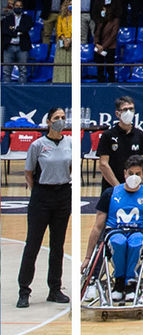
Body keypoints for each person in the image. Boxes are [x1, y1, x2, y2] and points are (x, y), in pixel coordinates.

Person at [81, 155, 143, 304]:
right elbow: (97, 227)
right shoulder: (110, 194)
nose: (134, 177)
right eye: (131, 173)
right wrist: (88, 257)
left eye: (138, 174)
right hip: (115, 232)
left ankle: (131, 282)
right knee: (119, 242)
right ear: (125, 173)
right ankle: (119, 281)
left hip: (139, 233)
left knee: (135, 243)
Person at [15, 107, 74, 309]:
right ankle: (24, 291)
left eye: (63, 118)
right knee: (33, 245)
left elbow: (72, 168)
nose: (60, 121)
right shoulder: (38, 145)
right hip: (41, 196)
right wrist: (39, 191)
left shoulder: (70, 143)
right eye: (56, 118)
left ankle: (54, 289)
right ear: (48, 122)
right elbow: (29, 173)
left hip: (63, 195)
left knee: (57, 246)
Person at [2, 0, 33, 83]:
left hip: (22, 47)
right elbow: (5, 31)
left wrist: (13, 30)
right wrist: (17, 32)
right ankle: (6, 92)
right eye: (16, 5)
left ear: (22, 7)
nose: (18, 7)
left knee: (23, 71)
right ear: (13, 7)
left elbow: (25, 28)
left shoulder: (27, 18)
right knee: (6, 71)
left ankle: (22, 91)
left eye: (20, 6)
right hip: (9, 47)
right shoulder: (7, 19)